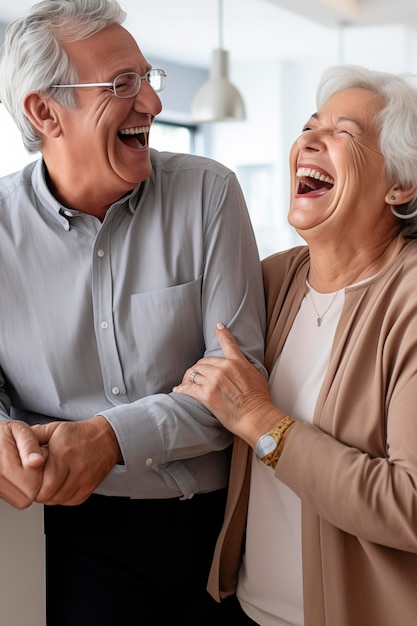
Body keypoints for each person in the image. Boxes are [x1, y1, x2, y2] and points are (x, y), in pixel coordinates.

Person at [0, 1, 266, 624]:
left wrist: (109, 437)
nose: (152, 102)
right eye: (123, 83)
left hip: (224, 534)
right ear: (45, 111)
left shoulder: (209, 193)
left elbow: (240, 378)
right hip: (66, 540)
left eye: (149, 78)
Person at [173, 64, 417, 626]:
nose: (309, 139)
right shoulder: (270, 280)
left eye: (344, 133)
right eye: (309, 126)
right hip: (248, 611)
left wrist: (264, 423)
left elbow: (408, 504)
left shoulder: (407, 301)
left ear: (400, 186)